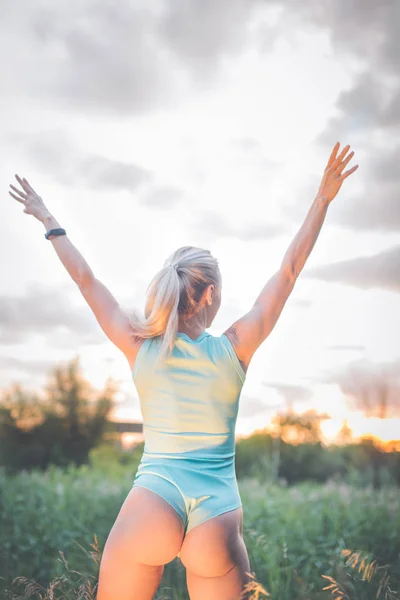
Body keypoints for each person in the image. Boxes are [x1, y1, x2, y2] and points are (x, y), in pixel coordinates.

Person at [9, 141, 358, 599]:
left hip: (154, 501)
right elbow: (288, 272)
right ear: (210, 295)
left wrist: (49, 220)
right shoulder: (235, 348)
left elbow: (86, 280)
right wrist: (322, 198)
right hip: (217, 515)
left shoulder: (139, 345)